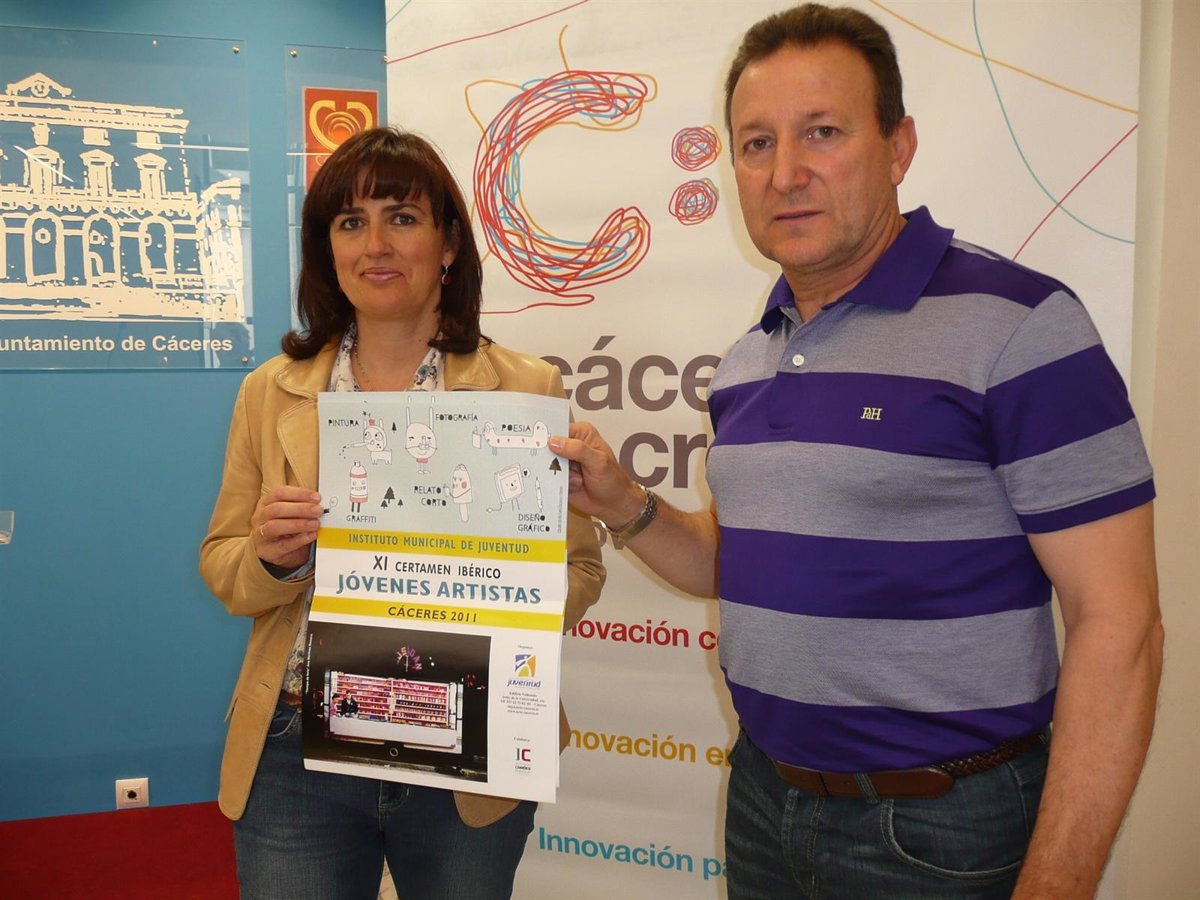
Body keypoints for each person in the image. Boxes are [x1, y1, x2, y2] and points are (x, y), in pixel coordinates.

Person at [549, 5, 1162, 899]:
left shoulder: (1021, 325)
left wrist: (1058, 885)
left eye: (822, 133)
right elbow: (734, 562)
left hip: (945, 828)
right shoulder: (751, 357)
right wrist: (625, 506)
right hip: (764, 801)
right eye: (757, 144)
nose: (785, 173)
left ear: (899, 146)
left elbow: (1121, 624)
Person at [200, 127, 604, 900]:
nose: (376, 245)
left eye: (403, 218)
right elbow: (224, 566)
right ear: (327, 250)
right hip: (300, 749)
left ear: (447, 243)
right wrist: (273, 559)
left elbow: (580, 567)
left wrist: (511, 595)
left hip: (467, 739)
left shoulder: (527, 388)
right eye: (351, 223)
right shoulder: (269, 392)